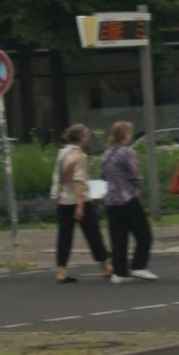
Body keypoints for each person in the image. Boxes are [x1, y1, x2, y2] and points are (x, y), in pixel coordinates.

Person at [52, 124, 109, 283]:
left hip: (62, 200)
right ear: (82, 138)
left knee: (64, 236)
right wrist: (80, 205)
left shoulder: (62, 153)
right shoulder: (80, 156)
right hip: (79, 200)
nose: (88, 138)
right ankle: (105, 265)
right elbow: (79, 180)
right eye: (87, 135)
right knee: (93, 234)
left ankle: (61, 270)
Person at [100, 121, 155, 281]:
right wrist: (139, 187)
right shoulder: (127, 152)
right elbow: (135, 174)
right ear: (125, 135)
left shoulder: (107, 153)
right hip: (128, 198)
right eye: (130, 133)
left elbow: (103, 174)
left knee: (118, 237)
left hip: (111, 200)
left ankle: (119, 272)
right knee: (144, 235)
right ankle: (139, 265)